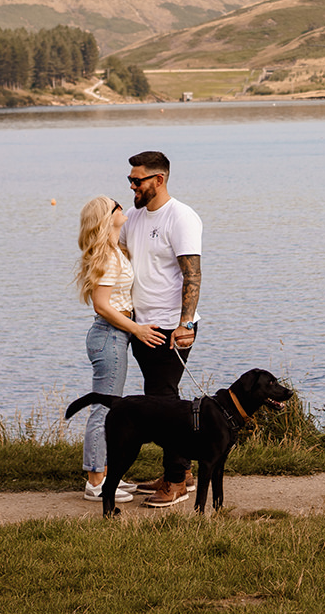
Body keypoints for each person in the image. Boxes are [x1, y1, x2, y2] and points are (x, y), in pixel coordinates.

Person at [120, 149, 203, 507]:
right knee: (161, 400)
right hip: (142, 327)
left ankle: (176, 482)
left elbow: (192, 274)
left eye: (138, 181)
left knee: (164, 403)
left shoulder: (181, 217)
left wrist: (185, 324)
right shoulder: (132, 218)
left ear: (159, 179)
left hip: (172, 328)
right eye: (130, 181)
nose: (133, 187)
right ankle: (181, 472)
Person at [72, 194, 165, 502]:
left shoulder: (114, 250)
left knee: (107, 407)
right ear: (107, 217)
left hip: (115, 335)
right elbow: (101, 305)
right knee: (103, 410)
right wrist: (137, 328)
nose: (122, 208)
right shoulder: (108, 256)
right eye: (116, 206)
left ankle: (105, 473)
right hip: (110, 335)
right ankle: (96, 482)